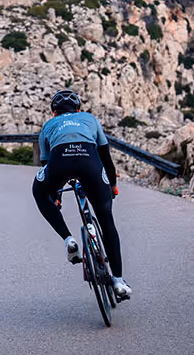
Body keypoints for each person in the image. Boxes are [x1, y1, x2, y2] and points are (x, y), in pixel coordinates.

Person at [32, 89, 131, 300]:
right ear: (78, 109)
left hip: (59, 165)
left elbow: (46, 164)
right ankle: (119, 281)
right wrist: (112, 184)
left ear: (54, 113)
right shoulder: (90, 118)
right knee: (106, 221)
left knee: (39, 192)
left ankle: (68, 240)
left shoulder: (48, 126)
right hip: (91, 166)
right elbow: (105, 156)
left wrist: (55, 196)